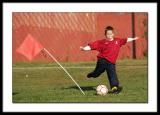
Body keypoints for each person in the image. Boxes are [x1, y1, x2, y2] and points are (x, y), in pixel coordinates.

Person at [80, 26, 139, 94]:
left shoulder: (118, 41)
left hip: (111, 62)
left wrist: (134, 38)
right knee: (97, 73)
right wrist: (84, 48)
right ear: (105, 35)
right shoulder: (102, 42)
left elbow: (126, 39)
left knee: (112, 75)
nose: (109, 35)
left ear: (113, 34)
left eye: (111, 34)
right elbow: (92, 46)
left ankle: (115, 88)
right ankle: (92, 74)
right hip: (102, 61)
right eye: (108, 34)